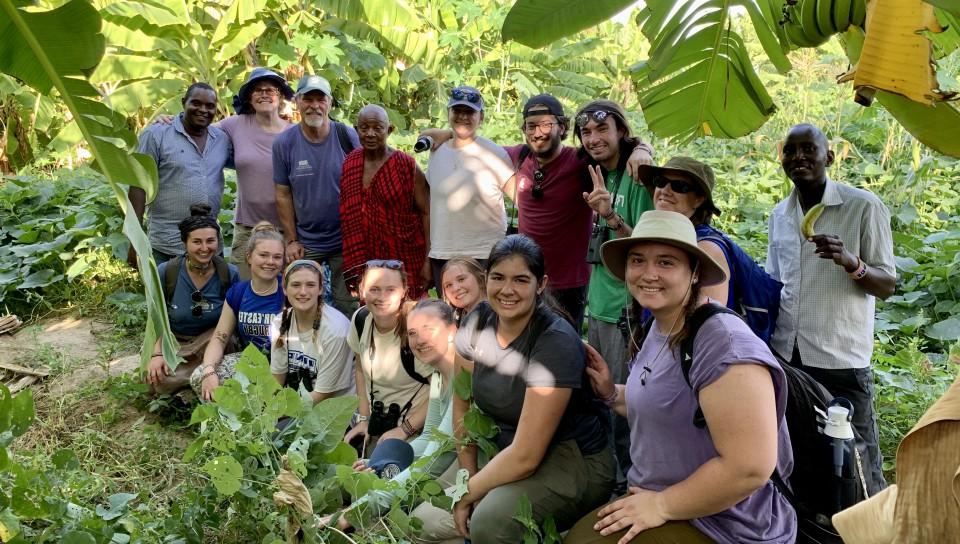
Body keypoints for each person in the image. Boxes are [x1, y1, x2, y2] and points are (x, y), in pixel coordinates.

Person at [565, 210, 796, 543]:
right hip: (663, 500)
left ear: (694, 272)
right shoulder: (660, 325)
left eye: (666, 262)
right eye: (638, 260)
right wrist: (611, 393)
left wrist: (660, 505)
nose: (648, 274)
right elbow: (672, 406)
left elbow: (750, 467)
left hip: (726, 522)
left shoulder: (723, 345)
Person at [414, 235, 614, 543]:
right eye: (498, 278)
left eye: (521, 280)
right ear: (487, 279)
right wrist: (469, 479)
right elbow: (462, 410)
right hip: (502, 449)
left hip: (570, 459)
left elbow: (527, 455)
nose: (507, 290)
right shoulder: (477, 322)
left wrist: (470, 494)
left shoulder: (554, 342)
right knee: (422, 522)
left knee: (488, 522)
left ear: (541, 284)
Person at [767, 123, 896, 494]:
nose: (798, 158)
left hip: (841, 357)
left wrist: (850, 261)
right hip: (789, 354)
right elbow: (777, 284)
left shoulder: (862, 207)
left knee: (858, 454)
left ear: (830, 157)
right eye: (790, 151)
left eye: (808, 149)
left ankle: (870, 522)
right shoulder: (780, 215)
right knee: (804, 449)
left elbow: (886, 285)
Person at [505, 95, 654, 328]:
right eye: (531, 126)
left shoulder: (582, 163)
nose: (537, 133)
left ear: (561, 128)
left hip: (575, 284)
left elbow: (648, 245)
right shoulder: (519, 157)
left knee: (564, 348)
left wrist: (642, 148)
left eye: (546, 124)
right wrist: (443, 135)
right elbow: (476, 147)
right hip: (533, 277)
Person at [324, 299, 459, 532]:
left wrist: (355, 513)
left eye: (429, 329)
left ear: (452, 331)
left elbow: (437, 459)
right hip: (450, 461)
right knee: (374, 485)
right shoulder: (438, 377)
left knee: (414, 522)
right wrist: (377, 465)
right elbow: (429, 438)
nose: (419, 340)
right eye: (413, 333)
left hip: (474, 470)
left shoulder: (464, 377)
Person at [575, 100, 655, 486]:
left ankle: (631, 485)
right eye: (586, 132)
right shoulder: (595, 173)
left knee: (625, 405)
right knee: (604, 400)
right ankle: (613, 479)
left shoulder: (638, 175)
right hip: (601, 307)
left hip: (627, 312)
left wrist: (610, 216)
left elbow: (645, 248)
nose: (593, 139)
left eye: (602, 130)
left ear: (622, 131)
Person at [274, 74, 360, 316]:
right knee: (300, 298)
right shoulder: (285, 143)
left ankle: (349, 351)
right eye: (307, 99)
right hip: (307, 240)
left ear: (329, 103)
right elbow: (282, 194)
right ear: (297, 103)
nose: (314, 105)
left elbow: (369, 172)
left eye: (320, 99)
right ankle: (304, 349)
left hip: (344, 239)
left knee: (348, 303)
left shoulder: (346, 136)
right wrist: (291, 240)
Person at [128, 82, 232, 265]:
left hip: (209, 245)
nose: (203, 110)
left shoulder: (221, 139)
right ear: (184, 102)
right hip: (167, 243)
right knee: (166, 293)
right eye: (196, 103)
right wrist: (134, 240)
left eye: (210, 106)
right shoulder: (156, 135)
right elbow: (138, 186)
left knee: (212, 294)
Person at [424, 86, 516, 292]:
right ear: (448, 113)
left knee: (485, 318)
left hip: (484, 253)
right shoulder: (437, 151)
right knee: (450, 318)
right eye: (457, 111)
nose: (463, 117)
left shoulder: (494, 153)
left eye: (470, 112)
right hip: (443, 253)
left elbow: (521, 199)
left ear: (481, 117)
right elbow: (431, 204)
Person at [145, 203, 240, 395]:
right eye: (197, 242)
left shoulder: (229, 274)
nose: (205, 248)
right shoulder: (167, 272)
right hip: (175, 343)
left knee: (226, 344)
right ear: (184, 243)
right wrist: (157, 353)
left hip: (212, 343)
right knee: (158, 379)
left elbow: (235, 323)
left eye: (210, 241)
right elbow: (157, 319)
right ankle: (194, 381)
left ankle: (195, 380)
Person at [339, 104, 431, 299]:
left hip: (405, 258)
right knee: (372, 313)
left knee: (409, 313)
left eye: (377, 128)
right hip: (364, 260)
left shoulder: (406, 166)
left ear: (389, 130)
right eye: (364, 128)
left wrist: (427, 260)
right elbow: (349, 214)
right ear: (356, 130)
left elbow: (427, 212)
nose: (370, 133)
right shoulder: (350, 162)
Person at [343, 260, 433, 453]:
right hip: (377, 427)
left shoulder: (416, 329)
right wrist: (364, 419)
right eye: (374, 289)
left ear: (403, 291)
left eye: (390, 290)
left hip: (414, 431)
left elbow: (441, 391)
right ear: (361, 290)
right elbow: (360, 370)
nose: (382, 297)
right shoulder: (361, 319)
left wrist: (404, 429)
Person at [191, 222, 286, 402]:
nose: (270, 262)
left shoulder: (288, 291)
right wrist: (209, 369)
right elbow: (220, 337)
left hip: (285, 363)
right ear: (249, 257)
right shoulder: (238, 292)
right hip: (252, 361)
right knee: (200, 376)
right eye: (263, 255)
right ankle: (224, 423)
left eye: (277, 257)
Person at [220, 67, 295, 278]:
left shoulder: (294, 132)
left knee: (285, 296)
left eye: (270, 90)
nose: (264, 94)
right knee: (243, 291)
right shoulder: (234, 125)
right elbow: (198, 129)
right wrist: (173, 119)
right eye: (258, 90)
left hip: (286, 230)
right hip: (247, 229)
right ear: (249, 98)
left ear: (280, 96)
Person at [637, 156, 732, 306]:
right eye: (660, 182)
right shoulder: (667, 235)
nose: (665, 191)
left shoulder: (706, 248)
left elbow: (711, 318)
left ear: (699, 199)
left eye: (679, 186)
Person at [270, 259, 354, 404]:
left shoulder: (336, 330)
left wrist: (278, 412)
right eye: (296, 285)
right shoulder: (279, 323)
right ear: (284, 288)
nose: (303, 292)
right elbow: (276, 380)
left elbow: (322, 396)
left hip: (332, 411)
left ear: (321, 289)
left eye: (311, 285)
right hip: (297, 405)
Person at [439, 257, 486, 326]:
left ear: (480, 279)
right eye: (448, 285)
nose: (455, 288)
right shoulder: (456, 317)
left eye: (461, 279)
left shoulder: (498, 317)